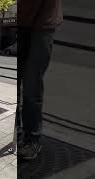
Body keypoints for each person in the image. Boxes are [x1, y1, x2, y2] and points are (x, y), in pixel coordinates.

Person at [18, 0, 63, 160]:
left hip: (41, 25)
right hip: (20, 21)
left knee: (31, 86)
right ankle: (18, 132)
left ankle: (32, 139)